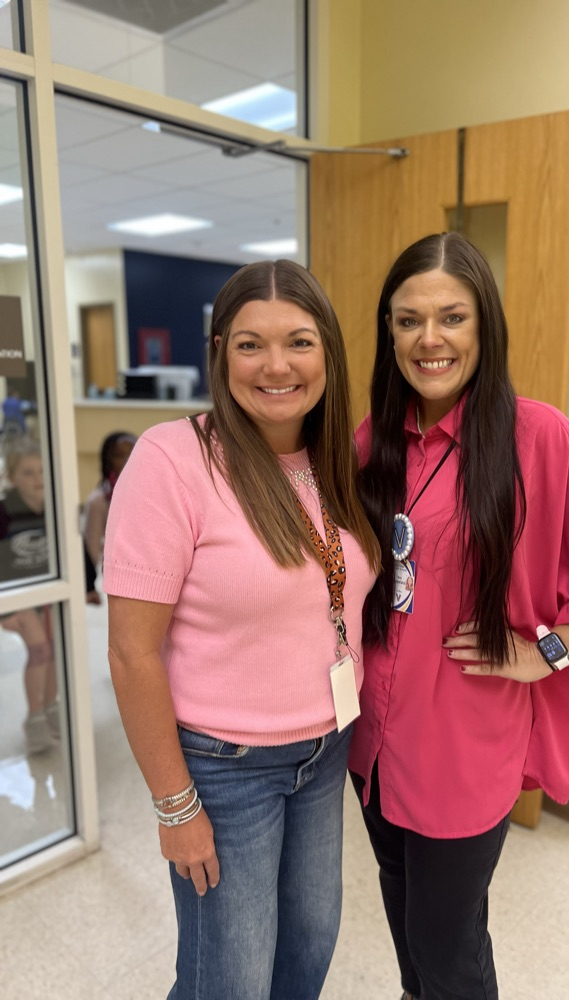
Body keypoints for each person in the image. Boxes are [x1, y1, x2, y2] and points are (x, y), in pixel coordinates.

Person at [350, 232, 569, 1000]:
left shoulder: (538, 436)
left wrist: (545, 651)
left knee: (448, 950)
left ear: (484, 326)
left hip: (463, 748)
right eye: (408, 320)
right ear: (388, 332)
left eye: (452, 317)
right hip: (374, 742)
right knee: (408, 934)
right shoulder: (371, 440)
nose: (429, 339)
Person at [104, 260, 379, 1000]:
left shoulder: (338, 462)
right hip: (224, 768)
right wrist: (176, 805)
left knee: (309, 949)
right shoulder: (172, 459)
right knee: (230, 980)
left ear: (328, 353)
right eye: (251, 344)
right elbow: (131, 652)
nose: (276, 365)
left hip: (325, 749)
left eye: (299, 341)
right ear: (221, 352)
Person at [0, 436, 58, 753]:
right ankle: (34, 717)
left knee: (56, 651)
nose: (37, 478)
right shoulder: (4, 511)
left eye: (41, 470)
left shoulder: (54, 503)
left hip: (49, 591)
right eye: (27, 472)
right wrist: (5, 609)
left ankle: (51, 707)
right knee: (39, 651)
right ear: (11, 477)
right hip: (18, 595)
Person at [82, 431, 136, 604]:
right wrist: (89, 587)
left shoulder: (151, 490)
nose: (127, 459)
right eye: (119, 455)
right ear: (108, 461)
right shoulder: (99, 500)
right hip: (119, 578)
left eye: (132, 453)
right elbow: (91, 549)